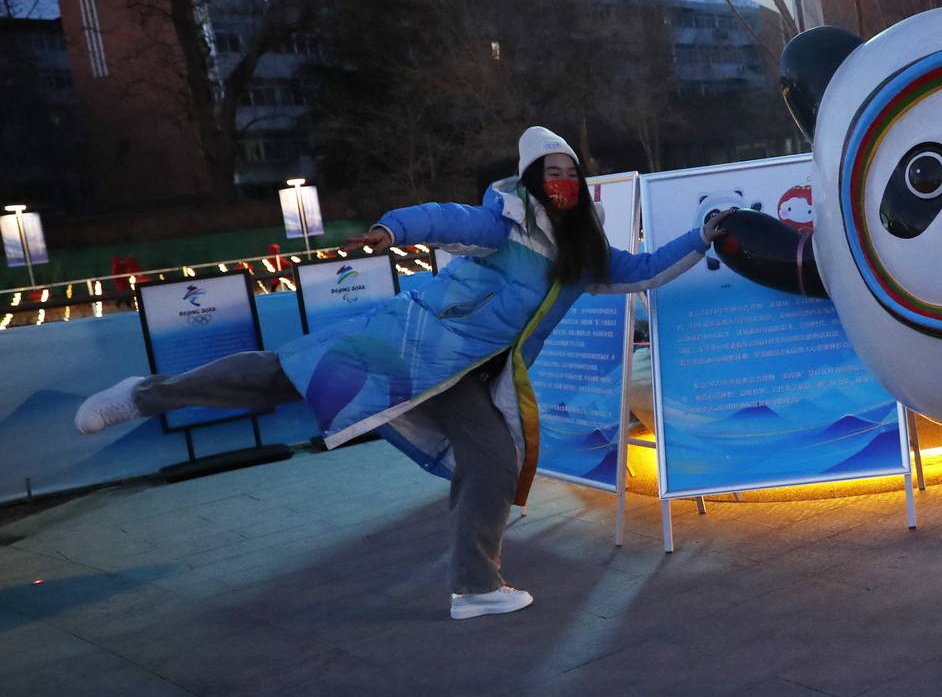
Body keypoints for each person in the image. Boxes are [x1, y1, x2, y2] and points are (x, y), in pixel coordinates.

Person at [75, 127, 727, 620]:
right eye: (550, 172)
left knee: (496, 462)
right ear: (529, 181)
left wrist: (703, 234)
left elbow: (644, 270)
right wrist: (396, 228)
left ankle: (475, 587)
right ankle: (143, 395)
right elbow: (448, 218)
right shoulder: (503, 226)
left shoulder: (588, 257)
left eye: (571, 173)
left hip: (473, 379)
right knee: (281, 376)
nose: (563, 180)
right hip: (411, 344)